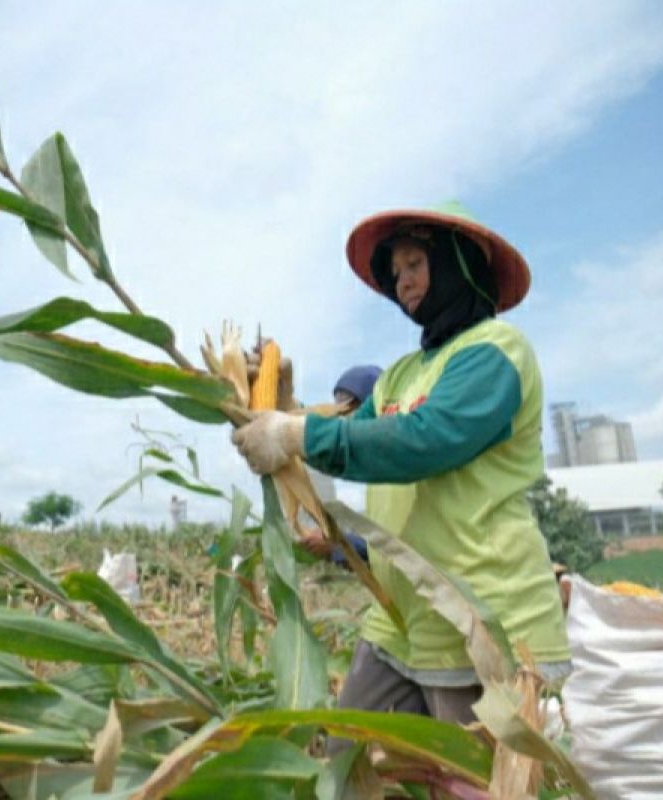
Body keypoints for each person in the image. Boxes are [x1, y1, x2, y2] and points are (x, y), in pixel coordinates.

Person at [231, 202, 571, 726]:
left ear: (460, 261)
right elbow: (353, 439)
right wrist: (281, 405)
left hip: (482, 619)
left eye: (415, 264)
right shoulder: (400, 376)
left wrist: (296, 432)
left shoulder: (496, 352)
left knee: (465, 783)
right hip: (400, 618)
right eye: (396, 273)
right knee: (349, 757)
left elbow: (425, 441)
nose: (404, 282)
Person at [300, 364, 383, 569]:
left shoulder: (405, 469)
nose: (343, 420)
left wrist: (337, 545)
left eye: (350, 409)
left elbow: (402, 549)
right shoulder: (376, 476)